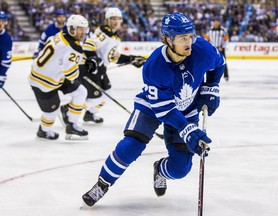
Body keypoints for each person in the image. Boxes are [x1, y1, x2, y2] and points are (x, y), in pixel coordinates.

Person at [82, 12, 225, 206]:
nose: (188, 42)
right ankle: (103, 183)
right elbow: (164, 110)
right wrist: (188, 129)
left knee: (180, 169)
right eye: (182, 38)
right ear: (168, 39)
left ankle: (159, 169)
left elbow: (219, 64)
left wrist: (212, 86)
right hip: (152, 106)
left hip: (187, 108)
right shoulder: (155, 66)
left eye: (190, 36)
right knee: (133, 144)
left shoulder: (202, 50)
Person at [29, 14, 97, 140]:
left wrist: (84, 61)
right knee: (51, 113)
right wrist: (86, 69)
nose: (83, 32)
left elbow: (65, 57)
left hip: (53, 75)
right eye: (80, 29)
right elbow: (71, 74)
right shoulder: (74, 47)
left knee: (81, 92)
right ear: (72, 28)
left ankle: (72, 125)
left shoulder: (61, 35)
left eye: (84, 28)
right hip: (43, 82)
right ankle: (43, 131)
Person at [73, 7, 146, 124]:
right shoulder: (104, 32)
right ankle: (68, 108)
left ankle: (90, 114)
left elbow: (113, 56)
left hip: (100, 70)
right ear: (107, 20)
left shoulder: (115, 37)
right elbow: (88, 47)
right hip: (90, 69)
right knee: (94, 97)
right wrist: (98, 62)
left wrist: (131, 59)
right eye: (113, 19)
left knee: (108, 93)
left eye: (118, 19)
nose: (116, 21)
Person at [0, 10, 12, 89]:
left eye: (2, 21)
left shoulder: (6, 40)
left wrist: (1, 76)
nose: (0, 23)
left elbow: (6, 62)